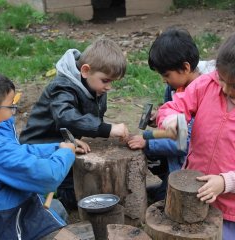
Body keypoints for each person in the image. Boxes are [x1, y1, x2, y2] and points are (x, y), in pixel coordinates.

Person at [19, 38, 129, 210]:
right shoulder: (62, 87)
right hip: (39, 147)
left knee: (77, 186)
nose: (109, 87)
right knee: (62, 196)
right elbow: (66, 117)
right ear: (85, 71)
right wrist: (106, 129)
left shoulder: (94, 85)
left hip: (64, 142)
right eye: (106, 80)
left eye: (112, 82)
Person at [156, 34, 235, 239]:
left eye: (233, 86)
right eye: (222, 79)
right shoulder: (207, 84)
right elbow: (176, 105)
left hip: (231, 210)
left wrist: (226, 182)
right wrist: (171, 119)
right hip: (192, 194)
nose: (225, 89)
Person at [127, 27, 215, 201]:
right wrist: (160, 119)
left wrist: (147, 142)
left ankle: (167, 189)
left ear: (185, 67)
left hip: (195, 169)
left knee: (166, 201)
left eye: (166, 75)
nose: (163, 79)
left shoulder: (206, 96)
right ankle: (165, 185)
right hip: (178, 158)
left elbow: (184, 141)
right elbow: (176, 129)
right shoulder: (175, 87)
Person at [0, 73, 85, 239]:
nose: (14, 110)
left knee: (57, 209)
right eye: (10, 106)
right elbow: (47, 177)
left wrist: (56, 148)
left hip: (16, 204)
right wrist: (65, 154)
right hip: (8, 219)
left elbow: (17, 154)